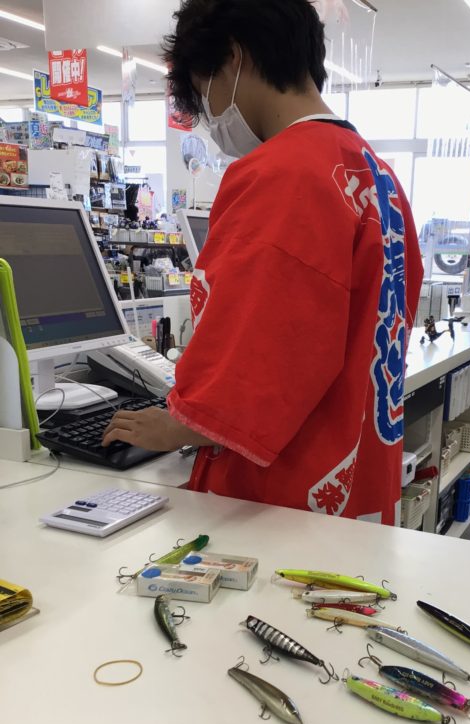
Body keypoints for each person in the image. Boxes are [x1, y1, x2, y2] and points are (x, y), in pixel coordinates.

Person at [102, 0, 423, 526]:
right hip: (357, 477)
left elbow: (257, 356)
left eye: (203, 89)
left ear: (233, 58)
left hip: (282, 499)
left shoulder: (283, 174)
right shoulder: (378, 175)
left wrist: (175, 425)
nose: (211, 118)